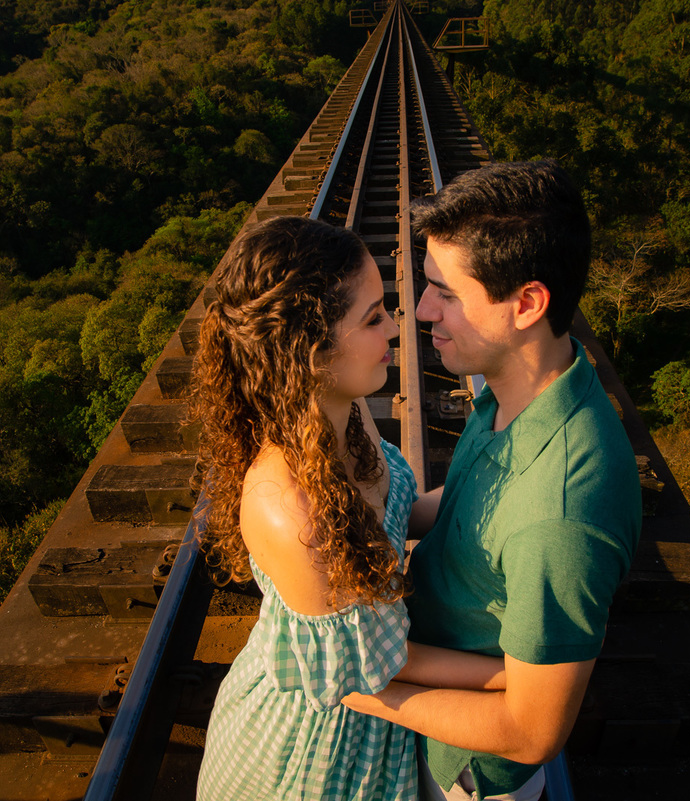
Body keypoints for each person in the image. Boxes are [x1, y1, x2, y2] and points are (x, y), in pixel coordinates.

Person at [342, 160, 643, 801]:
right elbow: (477, 500)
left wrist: (359, 691)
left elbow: (531, 732)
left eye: (446, 294)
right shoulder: (528, 388)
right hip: (431, 676)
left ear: (527, 303)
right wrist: (373, 515)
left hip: (462, 765)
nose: (421, 311)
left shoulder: (559, 516)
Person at [191, 215, 506, 801]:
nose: (397, 325)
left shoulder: (348, 410)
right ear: (310, 353)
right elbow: (373, 666)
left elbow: (395, 518)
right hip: (317, 751)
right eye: (372, 318)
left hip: (378, 712)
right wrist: (518, 676)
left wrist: (507, 493)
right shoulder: (286, 507)